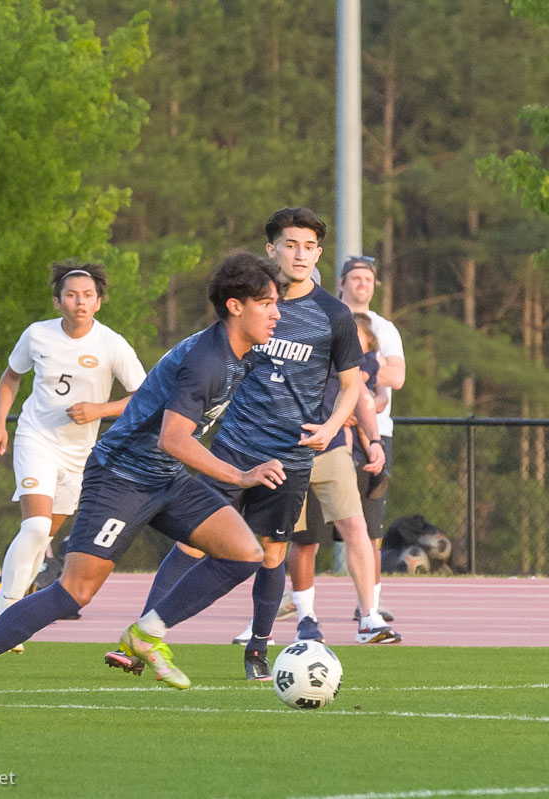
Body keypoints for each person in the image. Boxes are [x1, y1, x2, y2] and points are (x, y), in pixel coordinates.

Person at [0, 252, 286, 706]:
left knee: (244, 554)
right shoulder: (206, 360)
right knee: (74, 592)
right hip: (120, 477)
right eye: (268, 304)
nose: (277, 313)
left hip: (165, 479)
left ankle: (147, 633)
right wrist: (241, 475)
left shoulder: (243, 352)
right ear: (236, 306)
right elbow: (174, 439)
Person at [121, 207, 392, 683]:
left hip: (291, 459)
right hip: (232, 448)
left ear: (320, 253)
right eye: (290, 245)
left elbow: (353, 385)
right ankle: (144, 638)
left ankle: (258, 652)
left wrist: (331, 429)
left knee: (271, 554)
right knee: (191, 543)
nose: (300, 254)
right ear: (271, 250)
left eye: (309, 247)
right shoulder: (248, 303)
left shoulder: (334, 315)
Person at [0, 262, 147, 651]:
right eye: (71, 295)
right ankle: (5, 610)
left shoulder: (111, 344)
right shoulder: (37, 335)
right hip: (36, 439)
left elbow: (145, 395)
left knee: (44, 537)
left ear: (99, 302)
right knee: (36, 528)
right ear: (58, 301)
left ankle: (6, 613)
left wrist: (100, 410)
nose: (80, 302)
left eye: (88, 295)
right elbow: (11, 377)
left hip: (82, 455)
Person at [284, 311, 398, 644]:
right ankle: (301, 618)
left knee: (356, 527)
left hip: (331, 448)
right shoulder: (274, 328)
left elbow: (358, 390)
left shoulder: (337, 330)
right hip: (285, 449)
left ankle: (369, 618)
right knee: (295, 540)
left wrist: (374, 439)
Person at [338, 255, 406, 622]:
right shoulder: (329, 317)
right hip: (330, 430)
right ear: (342, 283)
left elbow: (397, 378)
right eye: (355, 277)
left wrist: (365, 361)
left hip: (376, 432)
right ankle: (298, 601)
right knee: (309, 526)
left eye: (368, 278)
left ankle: (371, 602)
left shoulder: (385, 327)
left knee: (370, 522)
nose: (362, 283)